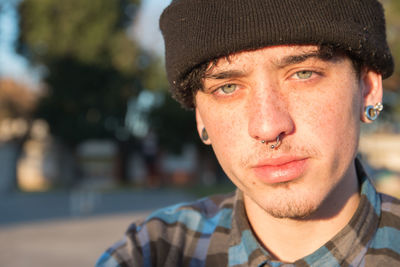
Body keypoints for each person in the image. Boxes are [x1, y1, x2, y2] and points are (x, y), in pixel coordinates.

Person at [96, 0, 400, 266]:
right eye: (227, 88)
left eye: (303, 74)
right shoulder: (156, 251)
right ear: (200, 116)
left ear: (369, 89)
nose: (268, 127)